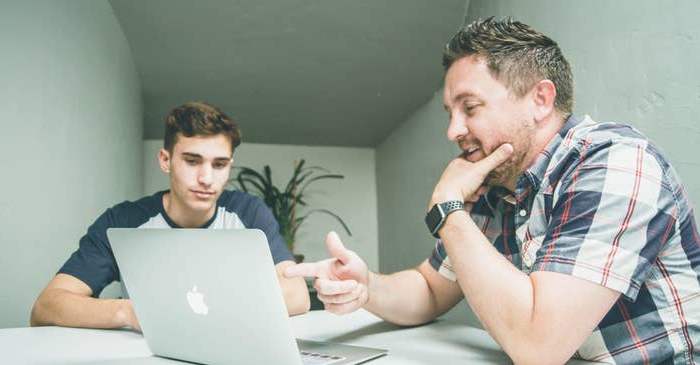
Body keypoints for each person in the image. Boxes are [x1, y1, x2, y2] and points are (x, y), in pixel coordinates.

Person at [285, 17, 699, 365]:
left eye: (471, 107)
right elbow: (429, 289)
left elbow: (540, 347)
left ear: (540, 99)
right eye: (450, 113)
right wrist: (366, 286)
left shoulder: (616, 164)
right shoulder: (496, 187)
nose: (453, 131)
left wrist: (448, 209)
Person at [31, 101, 310, 331]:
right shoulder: (123, 221)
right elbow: (47, 305)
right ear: (166, 160)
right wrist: (130, 313)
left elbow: (297, 295)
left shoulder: (248, 212)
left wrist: (205, 309)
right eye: (192, 161)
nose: (206, 178)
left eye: (219, 164)